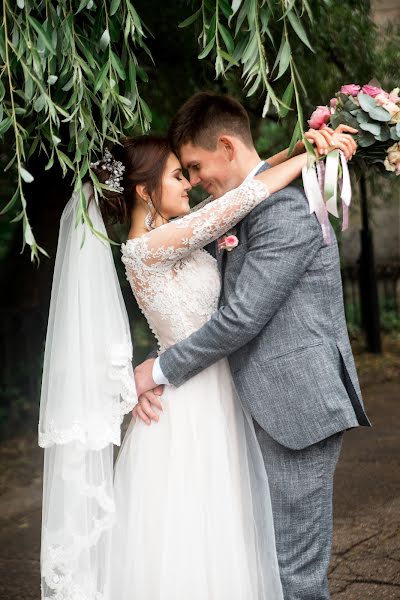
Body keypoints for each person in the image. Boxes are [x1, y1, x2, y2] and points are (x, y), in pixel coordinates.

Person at [38, 94, 358, 600]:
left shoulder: (214, 225)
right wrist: (308, 157)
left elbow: (239, 206)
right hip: (200, 403)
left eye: (191, 168)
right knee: (206, 542)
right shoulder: (148, 246)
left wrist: (300, 152)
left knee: (262, 552)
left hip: (255, 399)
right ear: (144, 191)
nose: (190, 182)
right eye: (178, 174)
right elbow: (237, 203)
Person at [132, 92, 371, 600]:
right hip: (256, 407)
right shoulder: (246, 204)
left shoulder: (285, 209)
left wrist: (155, 373)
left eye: (194, 166)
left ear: (224, 145)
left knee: (293, 574)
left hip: (297, 410)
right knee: (263, 563)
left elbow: (239, 318)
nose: (195, 183)